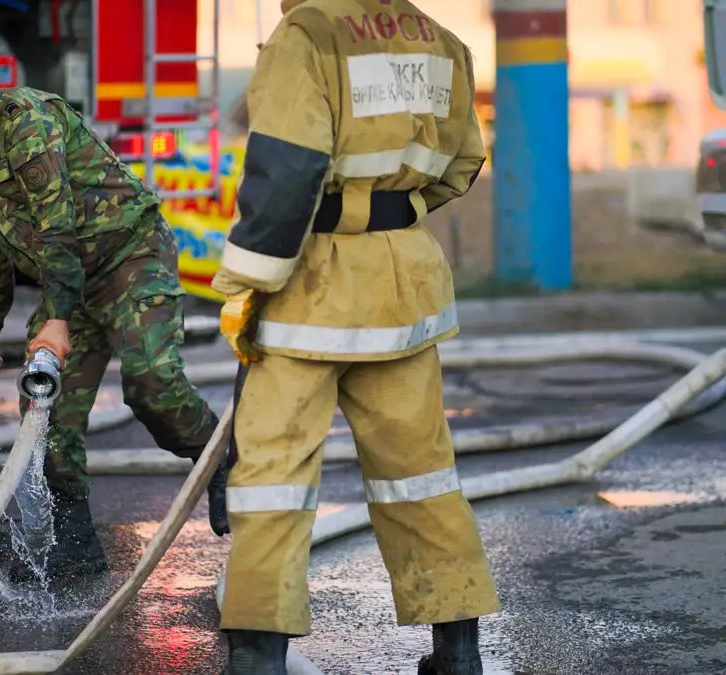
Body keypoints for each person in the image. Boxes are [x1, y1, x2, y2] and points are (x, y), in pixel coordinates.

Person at [211, 0, 500, 673]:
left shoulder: (308, 34)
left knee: (272, 478)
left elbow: (287, 171)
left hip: (311, 283)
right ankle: (458, 651)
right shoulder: (439, 40)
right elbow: (463, 164)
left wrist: (248, 280)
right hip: (403, 282)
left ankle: (258, 656)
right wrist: (399, 211)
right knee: (421, 476)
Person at [0, 40, 230, 582]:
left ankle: (222, 463)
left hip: (128, 256)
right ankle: (77, 543)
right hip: (72, 282)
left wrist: (58, 319)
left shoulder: (27, 123)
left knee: (151, 383)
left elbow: (56, 229)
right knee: (46, 413)